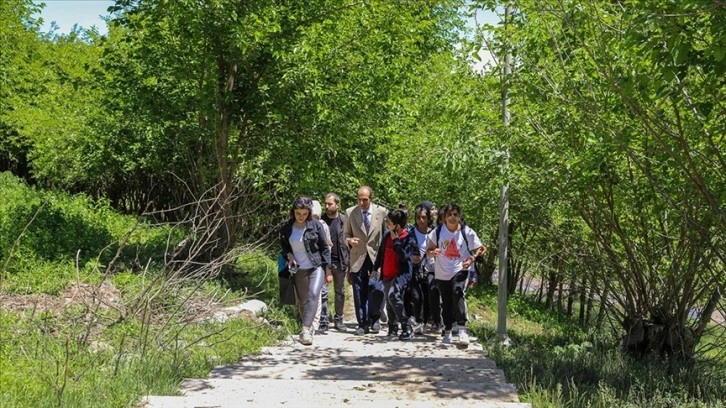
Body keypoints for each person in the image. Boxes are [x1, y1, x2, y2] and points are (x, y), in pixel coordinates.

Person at [425, 203, 486, 346]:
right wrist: (433, 253)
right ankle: (447, 331)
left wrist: (472, 258)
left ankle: (462, 329)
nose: (452, 218)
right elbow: (428, 251)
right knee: (446, 301)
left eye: (455, 215)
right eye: (449, 215)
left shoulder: (467, 232)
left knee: (458, 292)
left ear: (459, 217)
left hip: (461, 269)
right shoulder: (437, 232)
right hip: (442, 272)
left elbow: (481, 248)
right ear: (444, 217)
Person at [280, 196, 331, 345]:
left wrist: (328, 270)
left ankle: (306, 330)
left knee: (314, 295)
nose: (301, 217)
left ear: (309, 212)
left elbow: (324, 248)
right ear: (293, 212)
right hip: (299, 269)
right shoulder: (287, 227)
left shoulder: (316, 226)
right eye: (298, 213)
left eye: (304, 214)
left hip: (316, 266)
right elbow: (284, 246)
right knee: (303, 302)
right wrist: (289, 256)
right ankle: (307, 326)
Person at [344, 185, 387, 335]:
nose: (362, 202)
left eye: (365, 200)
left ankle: (375, 318)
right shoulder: (350, 213)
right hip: (358, 256)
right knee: (358, 290)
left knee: (376, 288)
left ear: (371, 198)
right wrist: (349, 240)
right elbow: (345, 235)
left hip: (376, 256)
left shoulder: (381, 212)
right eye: (359, 199)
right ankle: (362, 323)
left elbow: (385, 235)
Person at [372, 208, 415, 340]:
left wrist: (396, 241)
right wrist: (375, 268)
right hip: (387, 273)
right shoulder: (386, 235)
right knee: (390, 302)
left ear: (397, 225)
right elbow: (381, 253)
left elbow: (405, 257)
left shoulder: (408, 238)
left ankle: (407, 326)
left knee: (393, 296)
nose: (387, 224)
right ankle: (393, 327)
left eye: (389, 222)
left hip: (400, 274)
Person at [321, 192, 350, 332]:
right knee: (323, 292)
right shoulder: (320, 221)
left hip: (340, 261)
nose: (327, 206)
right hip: (323, 262)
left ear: (337, 205)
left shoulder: (345, 221)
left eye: (330, 204)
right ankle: (324, 319)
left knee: (340, 291)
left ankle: (339, 319)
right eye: (325, 204)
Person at [407, 203, 437, 334]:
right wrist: (410, 257)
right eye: (418, 217)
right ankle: (418, 321)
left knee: (428, 296)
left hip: (430, 268)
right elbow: (403, 250)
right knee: (416, 296)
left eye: (424, 217)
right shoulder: (411, 232)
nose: (421, 220)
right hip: (414, 269)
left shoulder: (435, 232)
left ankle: (426, 321)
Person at [311, 200, 333, 333]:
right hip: (308, 265)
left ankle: (321, 321)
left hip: (320, 265)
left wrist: (327, 269)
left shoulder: (322, 225)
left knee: (321, 294)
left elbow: (327, 247)